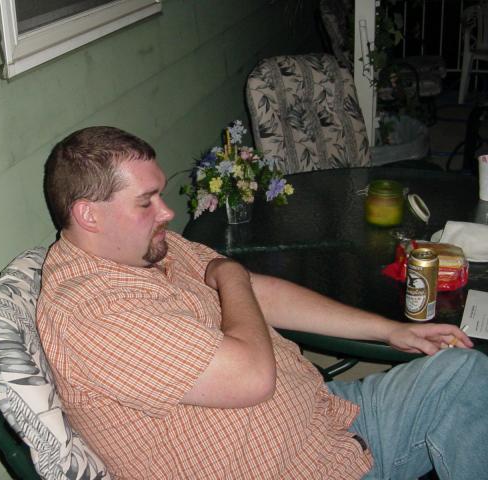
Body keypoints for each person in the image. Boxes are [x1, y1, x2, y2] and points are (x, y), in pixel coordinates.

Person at [36, 126, 488, 479]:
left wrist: (392, 330)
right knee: (467, 391)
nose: (167, 212)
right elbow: (251, 374)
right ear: (89, 215)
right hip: (306, 469)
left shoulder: (144, 249)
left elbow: (259, 292)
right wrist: (231, 274)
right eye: (145, 202)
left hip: (323, 415)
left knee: (463, 370)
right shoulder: (97, 313)